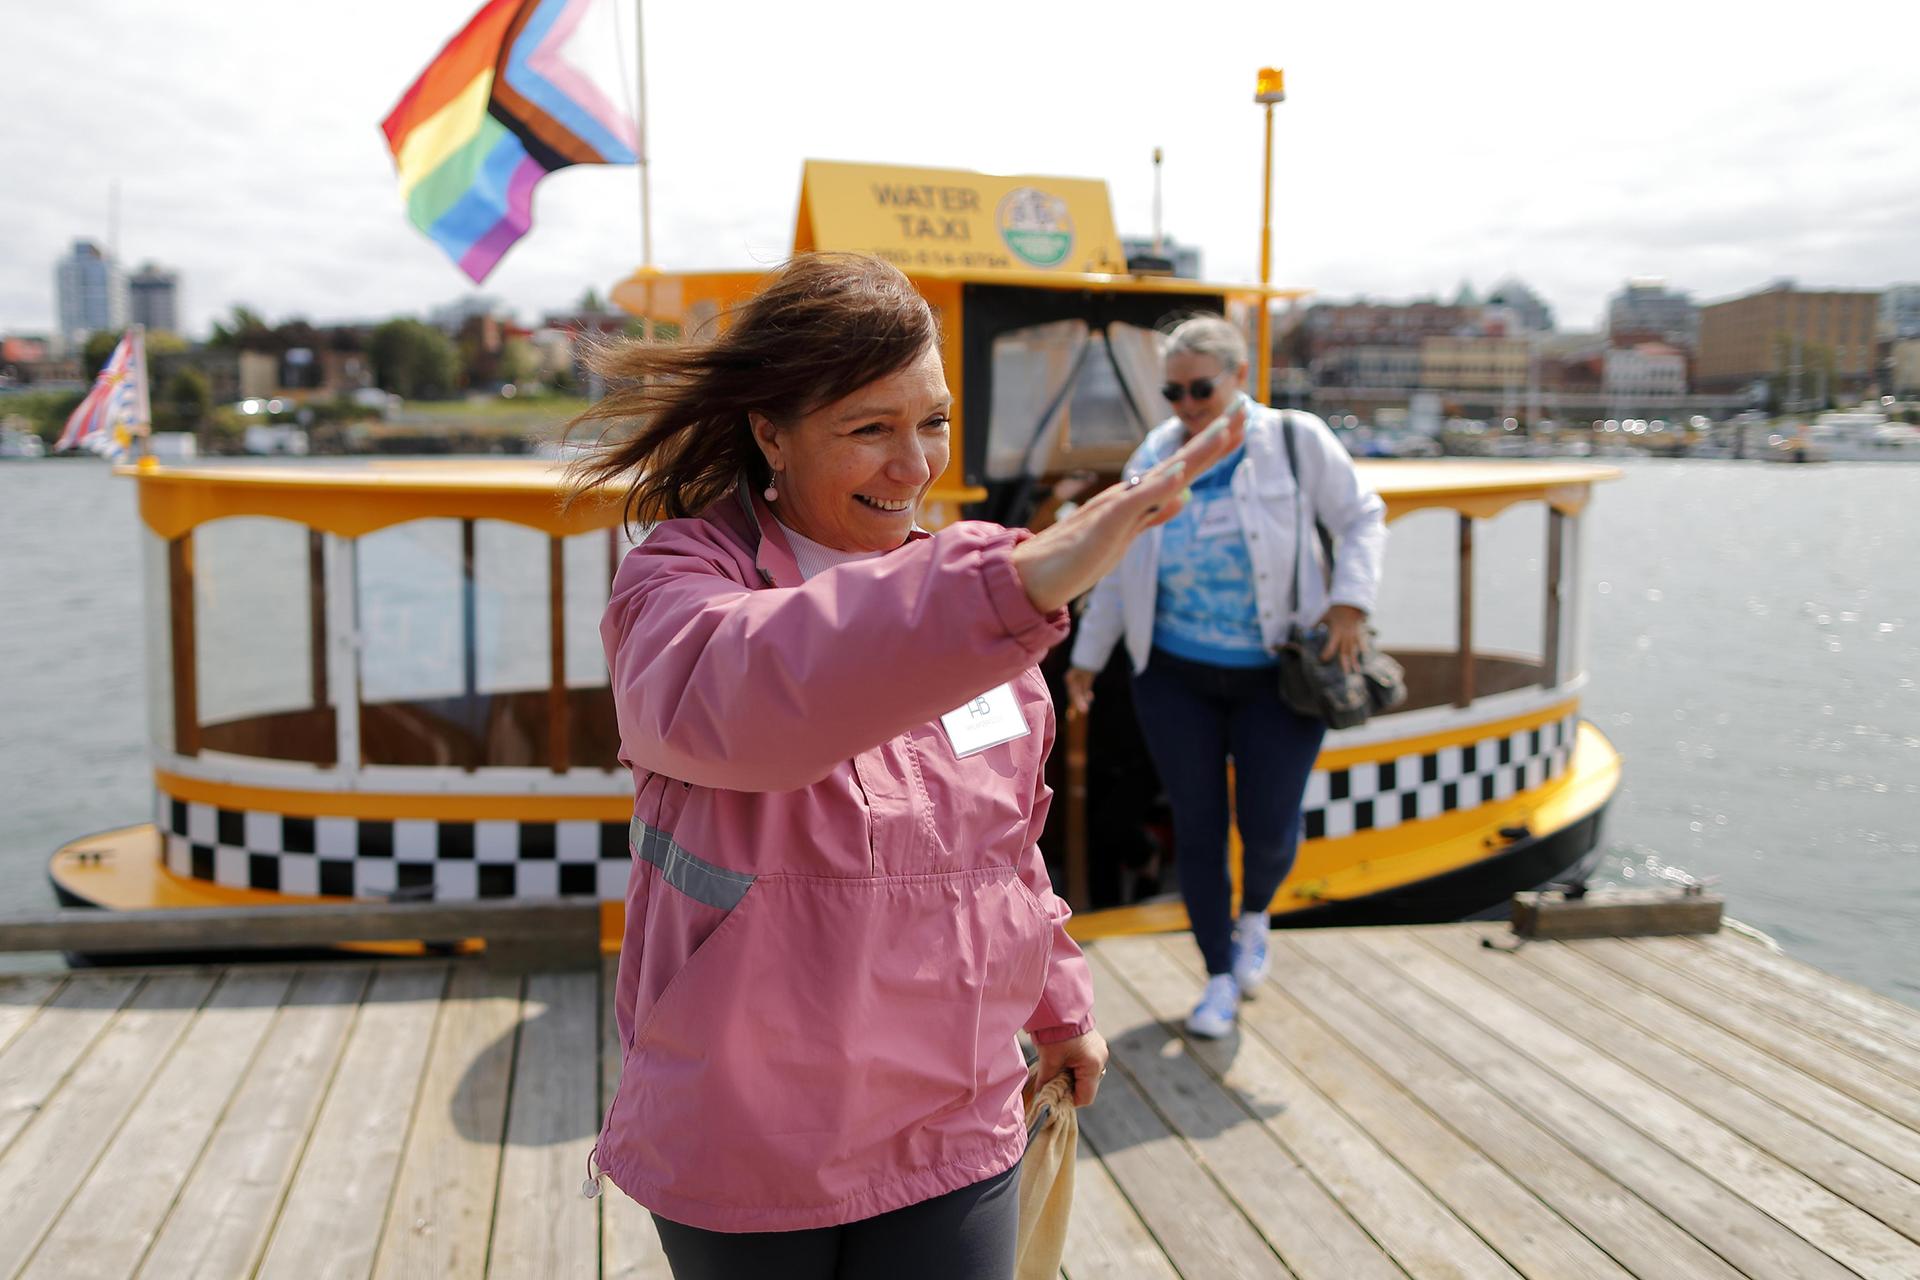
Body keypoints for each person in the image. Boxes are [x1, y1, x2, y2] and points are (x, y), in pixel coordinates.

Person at [568, 254, 1245, 1280]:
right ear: (769, 432)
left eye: (931, 421)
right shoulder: (679, 581)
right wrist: (1011, 583)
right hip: (749, 1123)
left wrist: (1060, 1002)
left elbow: (1004, 846)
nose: (913, 464)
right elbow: (755, 693)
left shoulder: (974, 602)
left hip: (952, 1105)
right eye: (869, 428)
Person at [1064, 315, 1386, 1039]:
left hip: (1277, 675)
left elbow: (1363, 518)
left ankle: (1255, 914)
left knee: (1269, 828)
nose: (1185, 405)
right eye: (1172, 391)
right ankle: (1217, 974)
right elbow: (1117, 562)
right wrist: (1087, 658)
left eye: (1200, 388)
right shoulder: (1152, 456)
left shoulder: (1297, 441)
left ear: (1239, 378)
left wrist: (1349, 605)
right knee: (1198, 825)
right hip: (1174, 675)